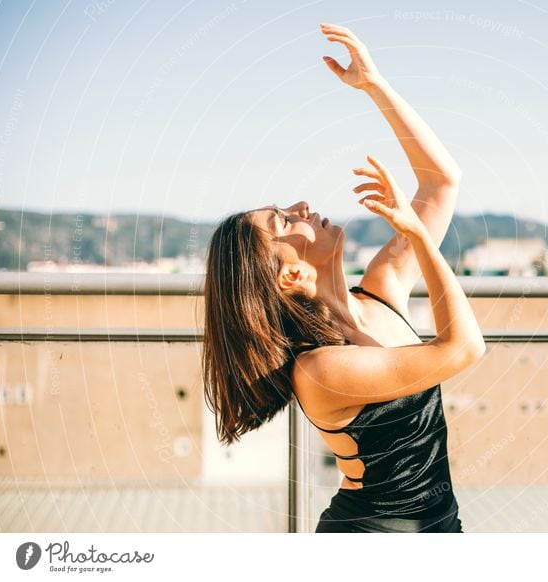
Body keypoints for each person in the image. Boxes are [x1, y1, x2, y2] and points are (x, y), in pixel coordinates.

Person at [201, 23, 485, 533]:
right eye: (285, 221)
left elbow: (443, 181)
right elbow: (464, 349)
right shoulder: (319, 369)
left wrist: (373, 84)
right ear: (289, 276)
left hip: (439, 529)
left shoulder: (381, 289)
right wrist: (417, 236)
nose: (303, 206)